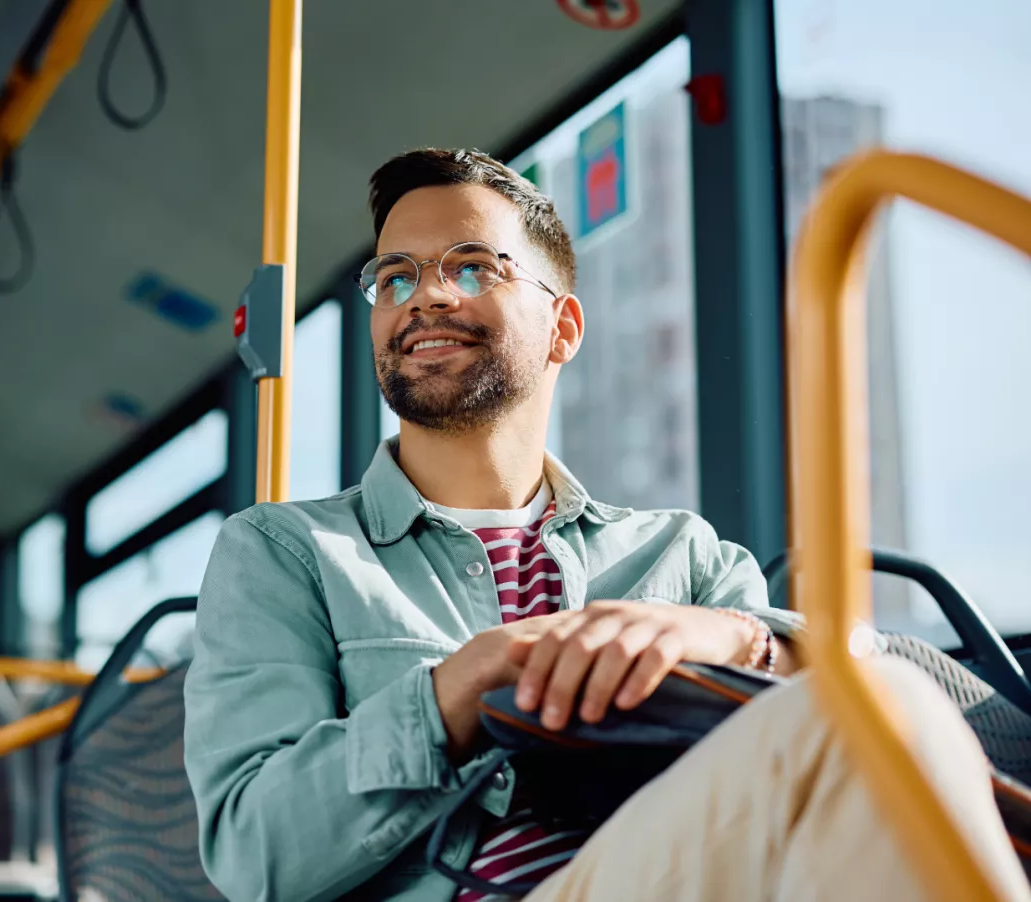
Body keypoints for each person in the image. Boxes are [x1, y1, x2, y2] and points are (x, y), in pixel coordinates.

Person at [182, 148, 1031, 902]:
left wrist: (734, 638)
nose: (426, 294)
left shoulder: (683, 557)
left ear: (563, 328)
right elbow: (257, 857)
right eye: (394, 277)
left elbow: (828, 705)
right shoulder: (284, 552)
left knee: (875, 712)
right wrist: (469, 682)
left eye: (472, 267)